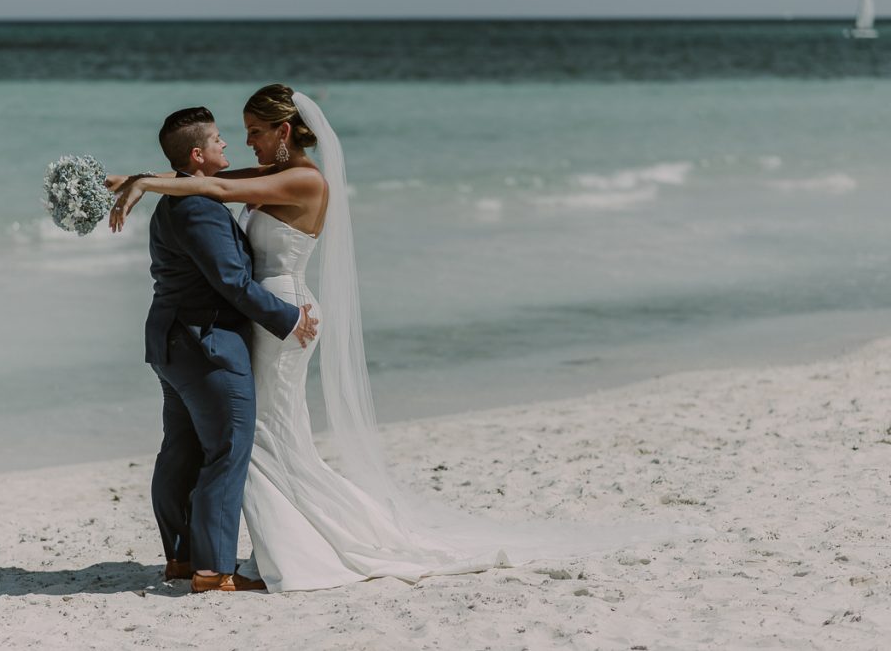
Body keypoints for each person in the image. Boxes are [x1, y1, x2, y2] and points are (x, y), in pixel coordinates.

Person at [111, 85, 700, 593]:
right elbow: (207, 180)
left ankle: (283, 551)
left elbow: (214, 190)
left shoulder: (303, 180)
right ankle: (274, 549)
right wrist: (143, 179)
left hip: (286, 316)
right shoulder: (269, 173)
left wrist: (147, 182)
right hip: (266, 318)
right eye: (240, 135)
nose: (248, 145)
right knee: (266, 435)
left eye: (257, 132)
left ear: (286, 130)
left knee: (266, 435)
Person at [136, 105, 317, 594]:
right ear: (197, 155)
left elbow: (250, 179)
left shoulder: (176, 200)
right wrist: (289, 317)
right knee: (228, 449)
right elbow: (233, 282)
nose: (227, 146)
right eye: (218, 141)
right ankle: (212, 569)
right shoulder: (197, 207)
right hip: (205, 342)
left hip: (171, 343)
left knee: (182, 449)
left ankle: (182, 557)